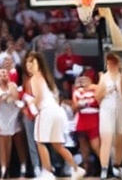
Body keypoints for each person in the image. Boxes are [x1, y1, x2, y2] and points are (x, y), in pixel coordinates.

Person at [26, 51, 85, 180]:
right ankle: (76, 169)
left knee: (40, 142)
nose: (29, 65)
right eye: (28, 63)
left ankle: (47, 173)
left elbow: (38, 98)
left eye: (32, 62)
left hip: (46, 111)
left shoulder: (35, 78)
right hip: (57, 111)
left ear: (39, 63)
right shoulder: (48, 78)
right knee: (57, 145)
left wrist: (30, 102)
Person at [95, 53, 122, 180]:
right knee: (106, 139)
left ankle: (118, 166)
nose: (110, 65)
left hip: (121, 109)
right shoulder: (104, 77)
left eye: (113, 63)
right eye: (108, 63)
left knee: (120, 140)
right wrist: (107, 90)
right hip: (107, 109)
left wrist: (120, 87)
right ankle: (104, 168)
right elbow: (97, 96)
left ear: (118, 64)